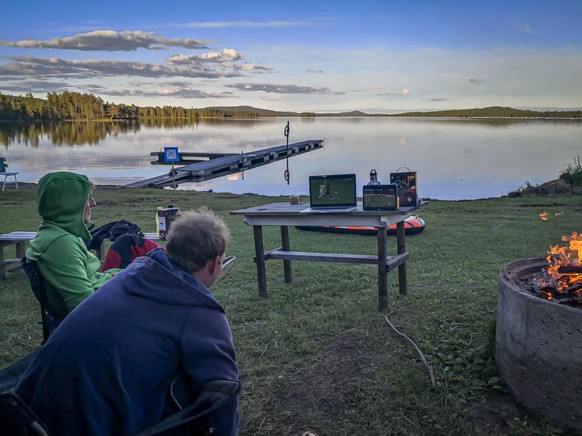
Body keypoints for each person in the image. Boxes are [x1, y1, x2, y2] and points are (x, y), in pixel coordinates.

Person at [16, 208, 240, 435]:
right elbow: (222, 391)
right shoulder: (201, 311)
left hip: (28, 412)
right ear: (214, 264)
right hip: (88, 425)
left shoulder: (132, 274)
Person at [26, 171, 159, 321]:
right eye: (87, 198)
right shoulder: (60, 243)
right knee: (159, 266)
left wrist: (120, 275)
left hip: (105, 286)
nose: (93, 203)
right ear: (69, 202)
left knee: (129, 242)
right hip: (107, 307)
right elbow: (83, 305)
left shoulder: (53, 231)